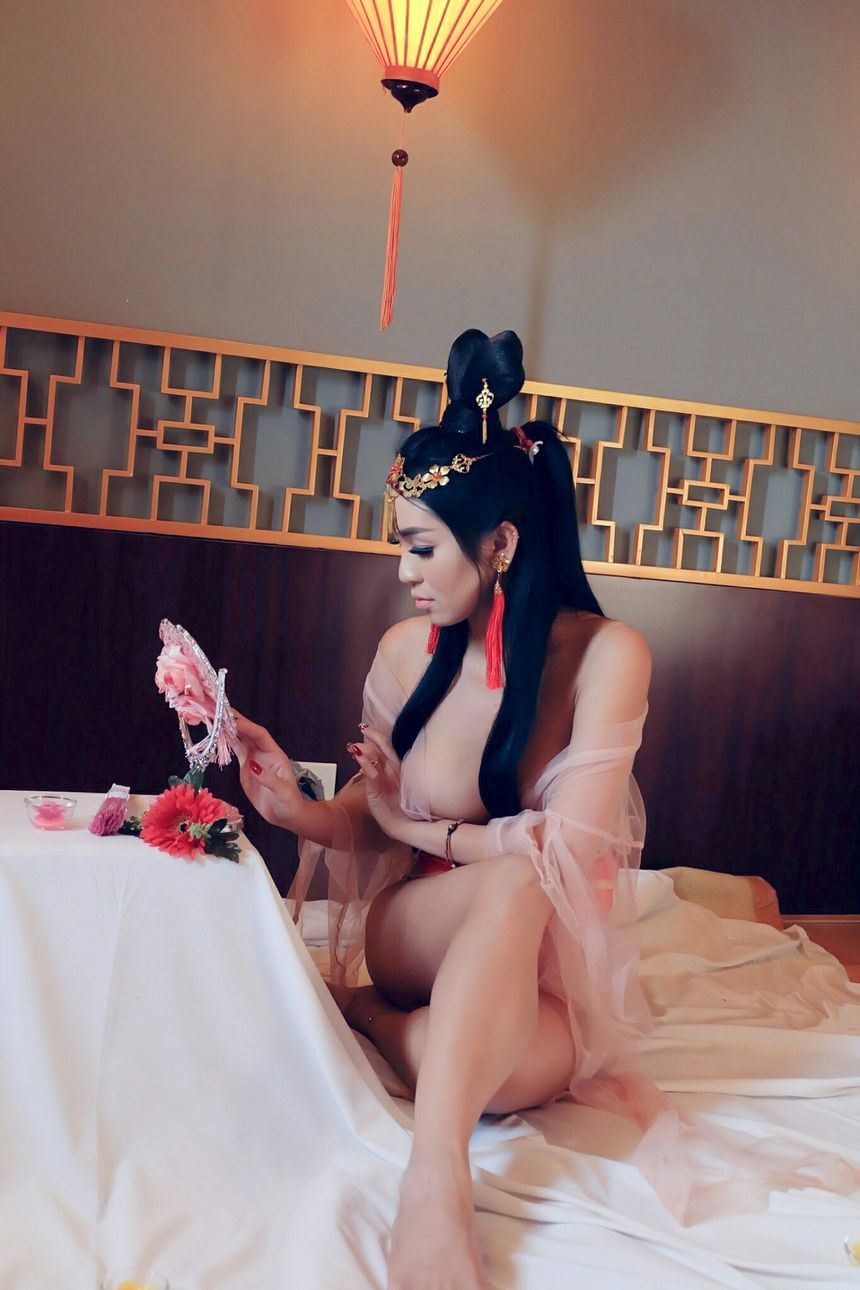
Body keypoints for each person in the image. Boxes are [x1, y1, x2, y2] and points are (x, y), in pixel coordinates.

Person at [233, 328, 653, 1290]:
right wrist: (295, 809)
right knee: (511, 880)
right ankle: (435, 1182)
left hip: (534, 959)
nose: (403, 572)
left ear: (500, 543)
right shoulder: (402, 652)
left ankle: (373, 1021)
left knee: (512, 1079)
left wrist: (417, 825)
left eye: (420, 547)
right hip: (414, 928)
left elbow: (567, 853)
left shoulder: (608, 656)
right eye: (401, 546)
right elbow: (371, 814)